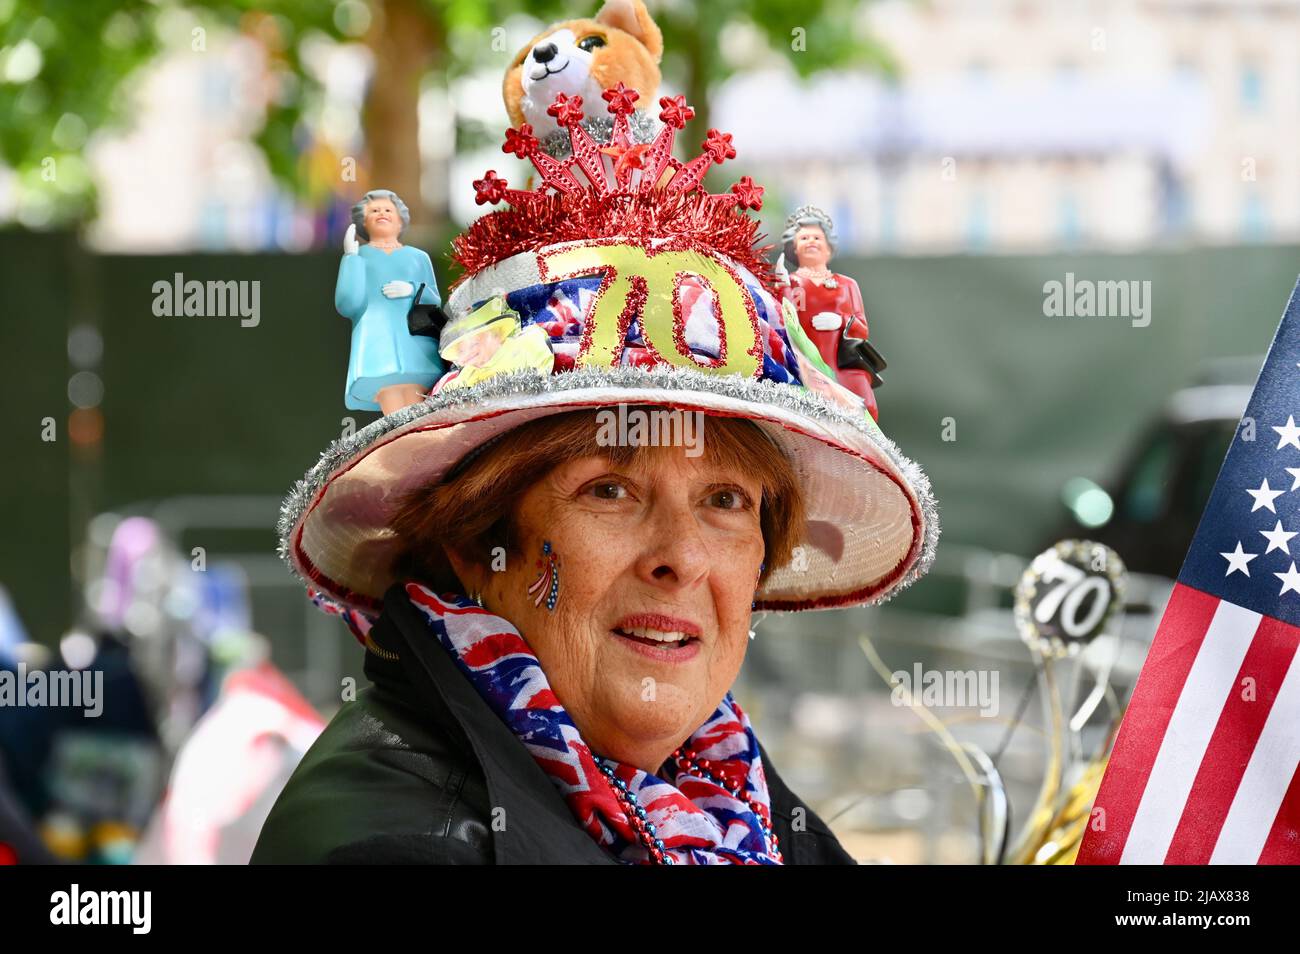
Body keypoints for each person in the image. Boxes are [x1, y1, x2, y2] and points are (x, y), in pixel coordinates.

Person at [254, 88, 938, 864]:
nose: (680, 557)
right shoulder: (399, 851)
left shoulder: (722, 787)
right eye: (609, 490)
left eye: (725, 500)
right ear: (477, 541)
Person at [336, 189, 444, 415]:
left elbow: (434, 297)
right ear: (363, 221)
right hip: (376, 342)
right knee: (391, 399)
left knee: (418, 404)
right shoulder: (360, 257)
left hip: (415, 340)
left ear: (400, 219)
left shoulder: (418, 257)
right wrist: (351, 259)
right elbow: (348, 303)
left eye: (388, 210)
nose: (381, 214)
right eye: (374, 211)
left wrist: (412, 289)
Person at [777, 206, 881, 421]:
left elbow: (862, 328)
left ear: (828, 246)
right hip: (803, 365)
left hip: (839, 365)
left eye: (817, 237)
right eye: (804, 237)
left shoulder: (847, 285)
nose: (811, 242)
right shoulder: (791, 284)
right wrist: (782, 288)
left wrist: (841, 321)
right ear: (794, 247)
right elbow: (784, 321)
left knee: (864, 404)